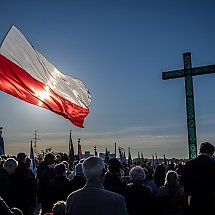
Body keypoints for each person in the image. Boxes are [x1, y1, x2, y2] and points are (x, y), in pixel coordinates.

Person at [183, 142, 215, 215]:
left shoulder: (189, 164)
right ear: (212, 152)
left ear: (200, 151)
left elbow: (185, 183)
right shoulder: (213, 165)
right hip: (210, 199)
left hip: (194, 199)